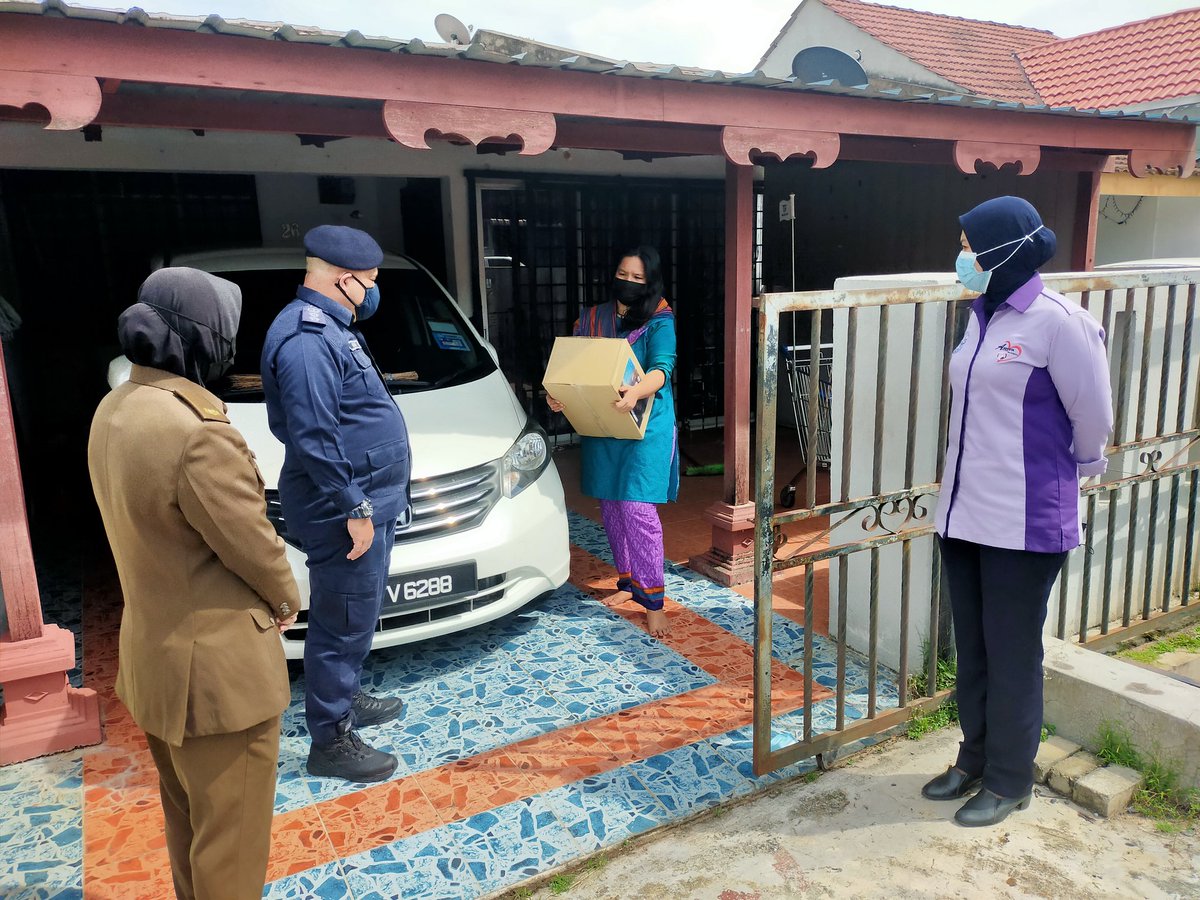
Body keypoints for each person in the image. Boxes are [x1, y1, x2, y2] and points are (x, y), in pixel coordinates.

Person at [88, 268, 300, 900]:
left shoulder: (118, 405)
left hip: (154, 658)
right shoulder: (198, 432)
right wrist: (287, 598)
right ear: (202, 340)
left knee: (189, 828)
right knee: (231, 850)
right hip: (217, 678)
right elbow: (253, 547)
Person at [924, 196, 1113, 827]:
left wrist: (1070, 475)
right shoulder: (980, 317)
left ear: (1002, 252)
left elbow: (1093, 422)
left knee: (1011, 651)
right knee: (973, 649)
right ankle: (974, 758)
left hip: (1025, 523)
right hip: (963, 516)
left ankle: (1010, 779)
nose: (962, 258)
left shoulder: (1060, 323)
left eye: (969, 246)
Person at [261, 225, 410, 783]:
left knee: (359, 612)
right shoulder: (305, 339)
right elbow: (313, 436)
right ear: (344, 279)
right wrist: (355, 506)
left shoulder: (332, 327)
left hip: (371, 499)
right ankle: (330, 739)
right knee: (340, 621)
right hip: (343, 509)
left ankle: (343, 699)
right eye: (369, 282)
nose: (373, 291)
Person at [548, 245, 679, 637]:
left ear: (651, 281)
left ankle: (654, 598)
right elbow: (574, 366)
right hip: (604, 421)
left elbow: (662, 369)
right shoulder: (592, 318)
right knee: (611, 506)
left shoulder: (659, 318)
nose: (629, 282)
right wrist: (559, 393)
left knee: (636, 507)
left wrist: (638, 392)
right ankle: (629, 582)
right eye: (624, 274)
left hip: (644, 424)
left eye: (638, 278)